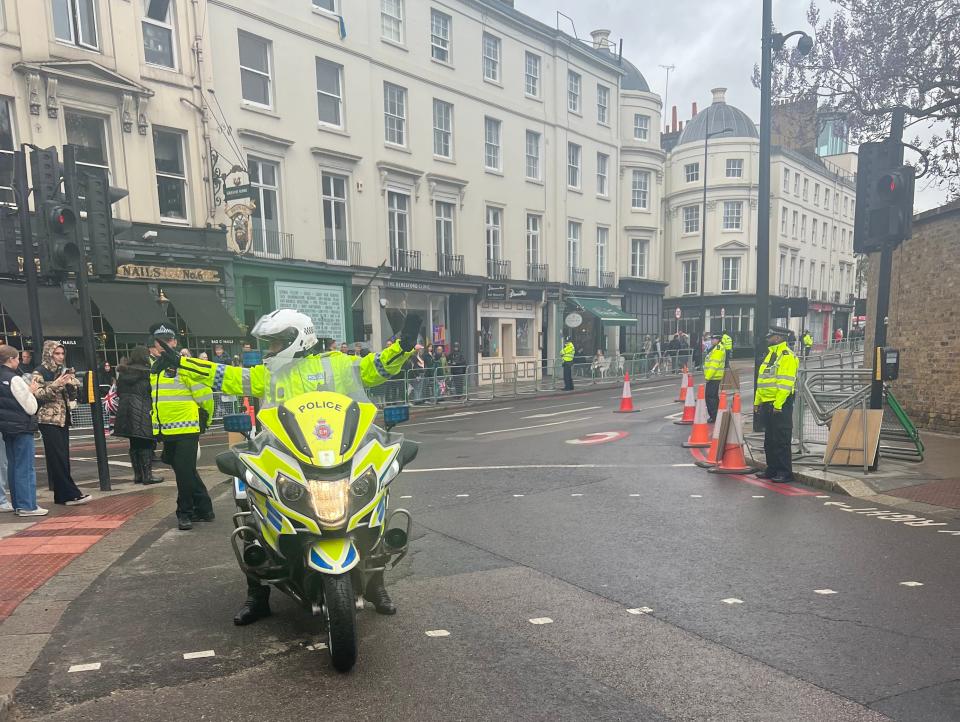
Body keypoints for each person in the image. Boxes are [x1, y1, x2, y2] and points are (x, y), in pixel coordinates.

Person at [156, 309, 418, 625]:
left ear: (296, 339)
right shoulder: (268, 374)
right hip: (285, 456)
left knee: (374, 498)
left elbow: (375, 368)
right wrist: (183, 364)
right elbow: (226, 376)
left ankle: (376, 586)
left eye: (275, 343)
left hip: (338, 453)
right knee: (249, 503)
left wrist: (403, 345)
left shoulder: (339, 364)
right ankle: (257, 596)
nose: (269, 351)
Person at [148, 323, 215, 531]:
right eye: (159, 342)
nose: (163, 345)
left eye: (167, 341)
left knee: (184, 473)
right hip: (167, 429)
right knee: (184, 470)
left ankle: (184, 513)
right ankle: (204, 508)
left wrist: (206, 419)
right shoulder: (155, 369)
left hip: (186, 427)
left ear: (175, 342)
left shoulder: (184, 365)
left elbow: (205, 395)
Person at [34, 342, 90, 506]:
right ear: (49, 354)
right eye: (56, 353)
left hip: (63, 419)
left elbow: (70, 396)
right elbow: (38, 395)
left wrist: (71, 385)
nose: (60, 356)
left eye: (62, 353)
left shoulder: (62, 371)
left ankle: (62, 495)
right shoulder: (40, 371)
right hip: (48, 420)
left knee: (63, 457)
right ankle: (70, 493)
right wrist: (57, 384)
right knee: (57, 457)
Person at [0, 345, 46, 516]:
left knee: (13, 466)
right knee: (25, 467)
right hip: (21, 426)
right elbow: (30, 407)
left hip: (6, 427)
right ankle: (28, 505)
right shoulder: (15, 379)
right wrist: (31, 392)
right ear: (11, 359)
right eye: (17, 358)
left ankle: (18, 504)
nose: (18, 361)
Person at [754, 326, 799, 483]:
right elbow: (763, 381)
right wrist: (757, 402)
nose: (767, 339)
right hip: (768, 403)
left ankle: (784, 472)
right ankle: (772, 469)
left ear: (779, 338)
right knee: (770, 440)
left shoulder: (787, 356)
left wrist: (778, 404)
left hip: (780, 404)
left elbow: (785, 384)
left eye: (770, 336)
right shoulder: (771, 355)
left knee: (781, 439)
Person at [114, 346, 163, 485]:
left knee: (134, 444)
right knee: (146, 443)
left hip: (126, 413)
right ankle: (148, 476)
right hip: (142, 411)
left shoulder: (123, 373)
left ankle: (138, 475)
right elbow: (152, 393)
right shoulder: (147, 373)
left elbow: (118, 392)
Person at [702, 333, 726, 422]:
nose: (711, 340)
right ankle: (717, 415)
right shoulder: (716, 348)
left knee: (710, 397)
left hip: (714, 377)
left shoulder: (718, 349)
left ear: (718, 340)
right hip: (714, 377)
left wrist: (708, 377)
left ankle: (714, 416)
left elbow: (714, 365)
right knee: (714, 397)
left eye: (713, 339)